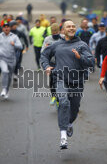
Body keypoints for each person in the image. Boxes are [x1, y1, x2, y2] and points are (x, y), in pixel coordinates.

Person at [40, 20, 95, 149]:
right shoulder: (56, 45)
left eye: (73, 26)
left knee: (74, 110)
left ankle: (69, 123)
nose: (71, 28)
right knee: (63, 102)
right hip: (60, 79)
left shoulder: (82, 45)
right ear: (63, 30)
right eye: (68, 26)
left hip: (77, 82)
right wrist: (47, 66)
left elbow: (91, 62)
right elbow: (44, 55)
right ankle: (63, 136)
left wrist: (79, 57)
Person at [0, 23, 23, 99]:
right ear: (2, 29)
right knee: (5, 71)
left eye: (7, 27)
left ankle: (6, 90)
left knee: (9, 77)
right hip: (2, 58)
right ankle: (3, 88)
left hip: (11, 60)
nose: (6, 28)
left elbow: (20, 47)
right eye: (4, 27)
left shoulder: (14, 37)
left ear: (10, 28)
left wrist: (14, 45)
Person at [41, 23, 63, 108]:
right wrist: (46, 48)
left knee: (61, 81)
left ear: (59, 31)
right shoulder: (47, 39)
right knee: (52, 80)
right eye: (53, 32)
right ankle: (54, 96)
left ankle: (59, 98)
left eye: (56, 32)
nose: (55, 34)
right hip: (52, 63)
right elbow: (42, 52)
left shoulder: (63, 37)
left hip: (61, 62)